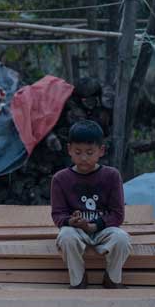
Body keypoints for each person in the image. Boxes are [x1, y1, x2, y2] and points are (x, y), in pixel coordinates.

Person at [51, 120, 131, 289]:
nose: (84, 158)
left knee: (122, 238)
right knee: (66, 236)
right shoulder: (60, 179)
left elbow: (117, 214)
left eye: (89, 152)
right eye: (78, 152)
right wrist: (71, 222)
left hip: (103, 229)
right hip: (76, 230)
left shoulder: (112, 176)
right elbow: (58, 214)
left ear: (101, 151)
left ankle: (112, 278)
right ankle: (78, 279)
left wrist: (94, 226)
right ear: (69, 150)